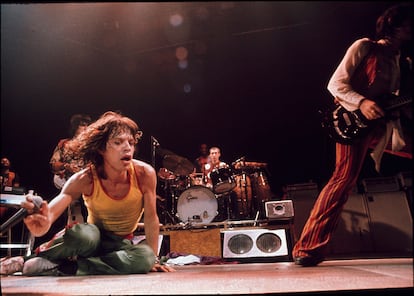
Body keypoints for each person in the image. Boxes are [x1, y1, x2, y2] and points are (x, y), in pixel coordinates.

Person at [292, 3, 412, 267]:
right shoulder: (365, 47)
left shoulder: (402, 61)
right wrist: (361, 103)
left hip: (385, 126)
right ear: (396, 25)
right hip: (351, 121)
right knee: (344, 178)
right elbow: (335, 83)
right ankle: (307, 247)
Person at [0, 111, 175, 275]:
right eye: (118, 142)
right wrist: (44, 221)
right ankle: (26, 260)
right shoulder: (85, 178)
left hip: (120, 244)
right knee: (83, 235)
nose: (127, 147)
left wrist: (154, 259)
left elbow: (152, 218)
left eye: (130, 142)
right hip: (92, 238)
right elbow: (54, 209)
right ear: (101, 149)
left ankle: (67, 268)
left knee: (144, 257)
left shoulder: (144, 173)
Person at [50, 114, 92, 224]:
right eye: (82, 125)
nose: (86, 128)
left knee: (86, 212)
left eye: (87, 125)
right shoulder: (64, 143)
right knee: (66, 212)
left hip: (85, 181)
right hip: (67, 181)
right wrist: (65, 166)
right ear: (75, 127)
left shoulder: (90, 145)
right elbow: (54, 163)